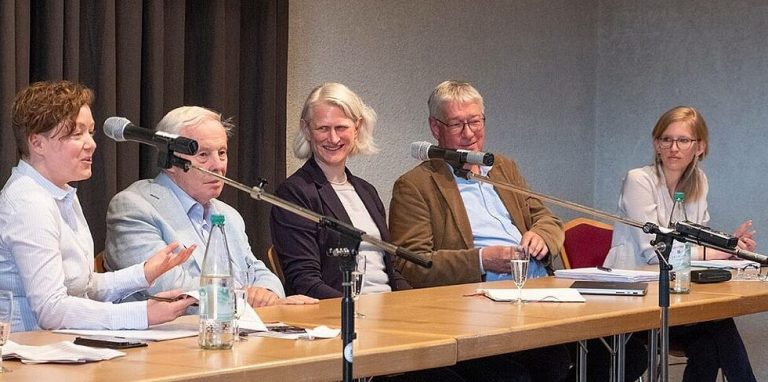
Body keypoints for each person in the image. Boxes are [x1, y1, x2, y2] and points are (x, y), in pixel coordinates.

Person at [389, 80, 582, 381]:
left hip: (538, 296)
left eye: (475, 121)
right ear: (435, 128)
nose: (469, 133)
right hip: (476, 307)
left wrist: (541, 236)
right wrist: (482, 260)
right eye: (457, 124)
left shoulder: (504, 168)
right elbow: (413, 261)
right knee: (532, 370)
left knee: (618, 351)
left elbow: (547, 218)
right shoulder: (416, 185)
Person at [0, 80, 195, 332]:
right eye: (75, 134)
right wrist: (142, 313)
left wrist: (144, 273)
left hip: (57, 348)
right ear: (37, 143)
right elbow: (51, 309)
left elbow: (82, 285)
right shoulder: (28, 203)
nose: (91, 143)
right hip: (26, 355)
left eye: (90, 132)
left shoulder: (58, 192)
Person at [105, 106, 316, 307]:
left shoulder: (228, 215)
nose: (218, 165)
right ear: (170, 160)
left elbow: (258, 271)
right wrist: (246, 298)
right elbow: (168, 287)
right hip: (171, 338)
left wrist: (267, 294)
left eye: (222, 153)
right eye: (203, 155)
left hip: (234, 333)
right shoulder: (134, 207)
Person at [605, 106, 756, 382]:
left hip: (677, 297)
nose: (674, 147)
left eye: (683, 140)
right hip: (633, 300)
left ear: (699, 147)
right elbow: (655, 253)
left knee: (709, 344)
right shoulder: (638, 180)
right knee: (719, 327)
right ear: (656, 144)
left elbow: (698, 242)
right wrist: (719, 252)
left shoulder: (699, 182)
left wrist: (730, 248)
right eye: (666, 139)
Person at [270, 83, 411, 299]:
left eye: (341, 127)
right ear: (306, 129)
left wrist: (414, 301)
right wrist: (354, 311)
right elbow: (305, 281)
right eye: (323, 128)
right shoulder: (295, 193)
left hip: (387, 309)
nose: (333, 138)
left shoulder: (367, 191)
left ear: (357, 127)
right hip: (339, 316)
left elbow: (390, 270)